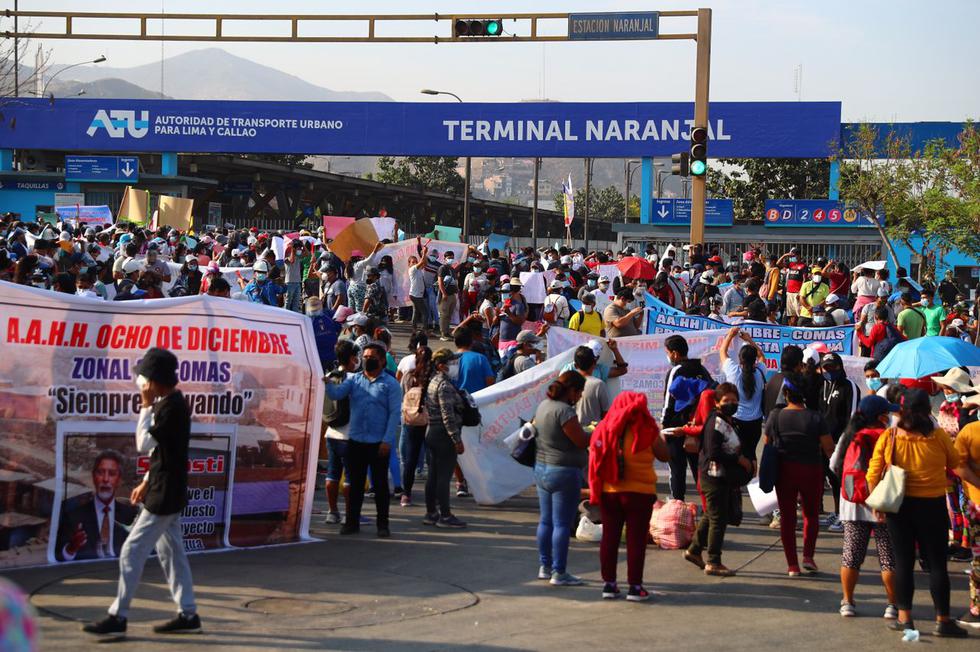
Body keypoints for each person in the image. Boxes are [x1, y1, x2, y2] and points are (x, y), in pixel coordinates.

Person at [83, 348, 200, 639]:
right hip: (164, 487)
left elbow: (144, 443)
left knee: (131, 551)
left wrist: (146, 406)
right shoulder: (171, 404)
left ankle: (118, 615)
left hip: (165, 494)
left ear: (155, 381)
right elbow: (165, 451)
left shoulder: (170, 408)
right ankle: (188, 614)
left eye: (145, 379)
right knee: (173, 555)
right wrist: (147, 480)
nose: (141, 384)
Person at [867, 389, 968, 638]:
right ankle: (943, 620)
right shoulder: (939, 436)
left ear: (902, 411)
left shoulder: (890, 436)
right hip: (932, 505)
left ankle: (906, 619)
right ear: (926, 411)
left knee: (903, 562)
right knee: (936, 565)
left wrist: (877, 506)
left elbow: (872, 473)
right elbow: (955, 463)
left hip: (899, 507)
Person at [589, 391, 668, 601]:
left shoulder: (604, 428)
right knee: (636, 541)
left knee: (609, 538)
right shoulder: (648, 428)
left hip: (610, 492)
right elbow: (664, 455)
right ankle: (635, 587)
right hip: (639, 494)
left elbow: (594, 459)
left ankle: (609, 584)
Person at [828, 395, 900, 619]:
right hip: (885, 503)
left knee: (851, 555)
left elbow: (833, 465)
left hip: (852, 504)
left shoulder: (849, 436)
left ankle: (847, 602)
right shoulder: (890, 437)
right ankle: (892, 605)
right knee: (888, 557)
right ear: (880, 417)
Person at [324, 343, 401, 537]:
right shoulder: (355, 380)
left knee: (380, 486)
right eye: (365, 356)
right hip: (356, 441)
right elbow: (336, 393)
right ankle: (351, 522)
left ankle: (382, 525)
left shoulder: (390, 384)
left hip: (378, 443)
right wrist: (326, 381)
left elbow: (394, 415)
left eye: (371, 357)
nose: (367, 359)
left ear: (382, 360)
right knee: (356, 485)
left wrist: (387, 440)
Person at [765, 374, 834, 577]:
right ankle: (808, 557)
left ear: (785, 394)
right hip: (811, 470)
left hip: (784, 472)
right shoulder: (815, 417)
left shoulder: (775, 416)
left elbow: (767, 441)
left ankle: (792, 565)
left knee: (787, 518)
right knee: (810, 515)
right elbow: (829, 448)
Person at [684, 383, 754, 576]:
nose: (731, 403)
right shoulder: (716, 422)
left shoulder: (728, 421)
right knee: (718, 519)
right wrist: (738, 459)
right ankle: (713, 561)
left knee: (711, 514)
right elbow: (713, 452)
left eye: (734, 400)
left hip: (721, 478)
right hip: (713, 477)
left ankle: (694, 550)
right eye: (726, 401)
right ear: (716, 403)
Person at [533, 371, 589, 586]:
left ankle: (545, 566)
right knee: (562, 524)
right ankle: (559, 572)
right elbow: (581, 440)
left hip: (542, 469)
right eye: (580, 392)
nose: (580, 396)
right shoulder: (565, 412)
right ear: (572, 390)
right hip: (563, 471)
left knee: (546, 521)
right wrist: (597, 432)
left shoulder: (543, 406)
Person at [55, 451, 139, 562]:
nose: (105, 479)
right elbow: (58, 556)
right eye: (100, 472)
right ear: (93, 476)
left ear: (119, 480)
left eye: (112, 474)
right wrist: (71, 549)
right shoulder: (74, 516)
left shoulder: (131, 515)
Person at [661, 334, 714, 501]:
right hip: (696, 427)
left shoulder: (675, 371)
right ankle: (708, 506)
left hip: (676, 427)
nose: (668, 356)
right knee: (698, 469)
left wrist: (664, 427)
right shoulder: (701, 369)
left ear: (675, 354)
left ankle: (677, 505)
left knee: (677, 470)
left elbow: (668, 402)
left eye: (668, 352)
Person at [423, 349, 467, 528]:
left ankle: (431, 512)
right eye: (452, 362)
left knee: (433, 475)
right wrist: (456, 439)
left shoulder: (433, 380)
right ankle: (445, 515)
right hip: (443, 434)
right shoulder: (444, 386)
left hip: (432, 431)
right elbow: (447, 414)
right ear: (441, 365)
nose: (455, 365)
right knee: (443, 476)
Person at [818, 352, 860, 532]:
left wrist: (844, 443)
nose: (829, 371)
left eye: (832, 367)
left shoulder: (849, 386)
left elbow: (852, 417)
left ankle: (847, 516)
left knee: (845, 480)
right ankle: (837, 512)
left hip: (842, 443)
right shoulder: (823, 386)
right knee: (833, 480)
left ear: (840, 366)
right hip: (826, 443)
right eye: (825, 368)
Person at [719, 327, 766, 465]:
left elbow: (722, 351)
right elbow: (762, 356)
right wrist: (749, 340)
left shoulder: (733, 371)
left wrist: (730, 335)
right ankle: (753, 483)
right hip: (756, 423)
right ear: (754, 360)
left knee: (736, 455)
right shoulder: (760, 371)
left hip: (737, 421)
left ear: (739, 358)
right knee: (752, 455)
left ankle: (738, 483)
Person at [322, 340, 357, 524]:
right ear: (352, 358)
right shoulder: (354, 380)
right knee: (350, 477)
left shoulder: (330, 375)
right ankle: (349, 513)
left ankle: (332, 511)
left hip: (331, 432)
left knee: (332, 473)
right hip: (349, 434)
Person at [952, 401, 980, 628]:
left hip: (976, 503)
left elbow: (959, 466)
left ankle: (977, 608)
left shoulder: (969, 432)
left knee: (979, 558)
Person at [400, 345, 432, 507]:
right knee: (432, 459)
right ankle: (433, 495)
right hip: (430, 421)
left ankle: (406, 494)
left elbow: (402, 394)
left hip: (411, 420)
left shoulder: (409, 376)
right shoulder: (433, 376)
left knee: (410, 459)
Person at [573, 346, 611, 427]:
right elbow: (606, 413)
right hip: (594, 433)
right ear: (594, 364)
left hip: (573, 431)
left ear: (575, 366)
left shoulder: (569, 383)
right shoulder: (599, 384)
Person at [454, 328, 494, 395]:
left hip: (455, 401)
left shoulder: (448, 359)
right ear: (472, 341)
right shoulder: (480, 358)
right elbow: (490, 381)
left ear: (455, 342)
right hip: (477, 400)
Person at [437, 251, 459, 341]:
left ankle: (447, 332)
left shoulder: (452, 269)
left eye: (452, 257)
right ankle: (443, 334)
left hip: (452, 295)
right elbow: (440, 282)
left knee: (449, 315)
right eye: (449, 257)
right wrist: (444, 293)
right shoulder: (443, 268)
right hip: (445, 295)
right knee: (444, 315)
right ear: (444, 258)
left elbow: (454, 281)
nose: (451, 259)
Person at [284, 239, 309, 313]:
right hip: (289, 282)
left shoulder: (298, 256)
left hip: (297, 282)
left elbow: (307, 254)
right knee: (288, 302)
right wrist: (292, 249)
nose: (299, 250)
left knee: (296, 302)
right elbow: (291, 260)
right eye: (298, 248)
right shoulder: (286, 256)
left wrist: (303, 245)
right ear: (294, 248)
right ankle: (285, 316)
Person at [408, 243, 429, 332]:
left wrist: (425, 253)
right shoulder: (412, 269)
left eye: (415, 261)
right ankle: (424, 330)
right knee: (425, 313)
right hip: (415, 295)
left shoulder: (418, 269)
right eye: (413, 262)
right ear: (409, 264)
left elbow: (424, 263)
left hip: (417, 294)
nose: (415, 263)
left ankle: (414, 328)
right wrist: (423, 253)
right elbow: (421, 262)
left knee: (416, 312)